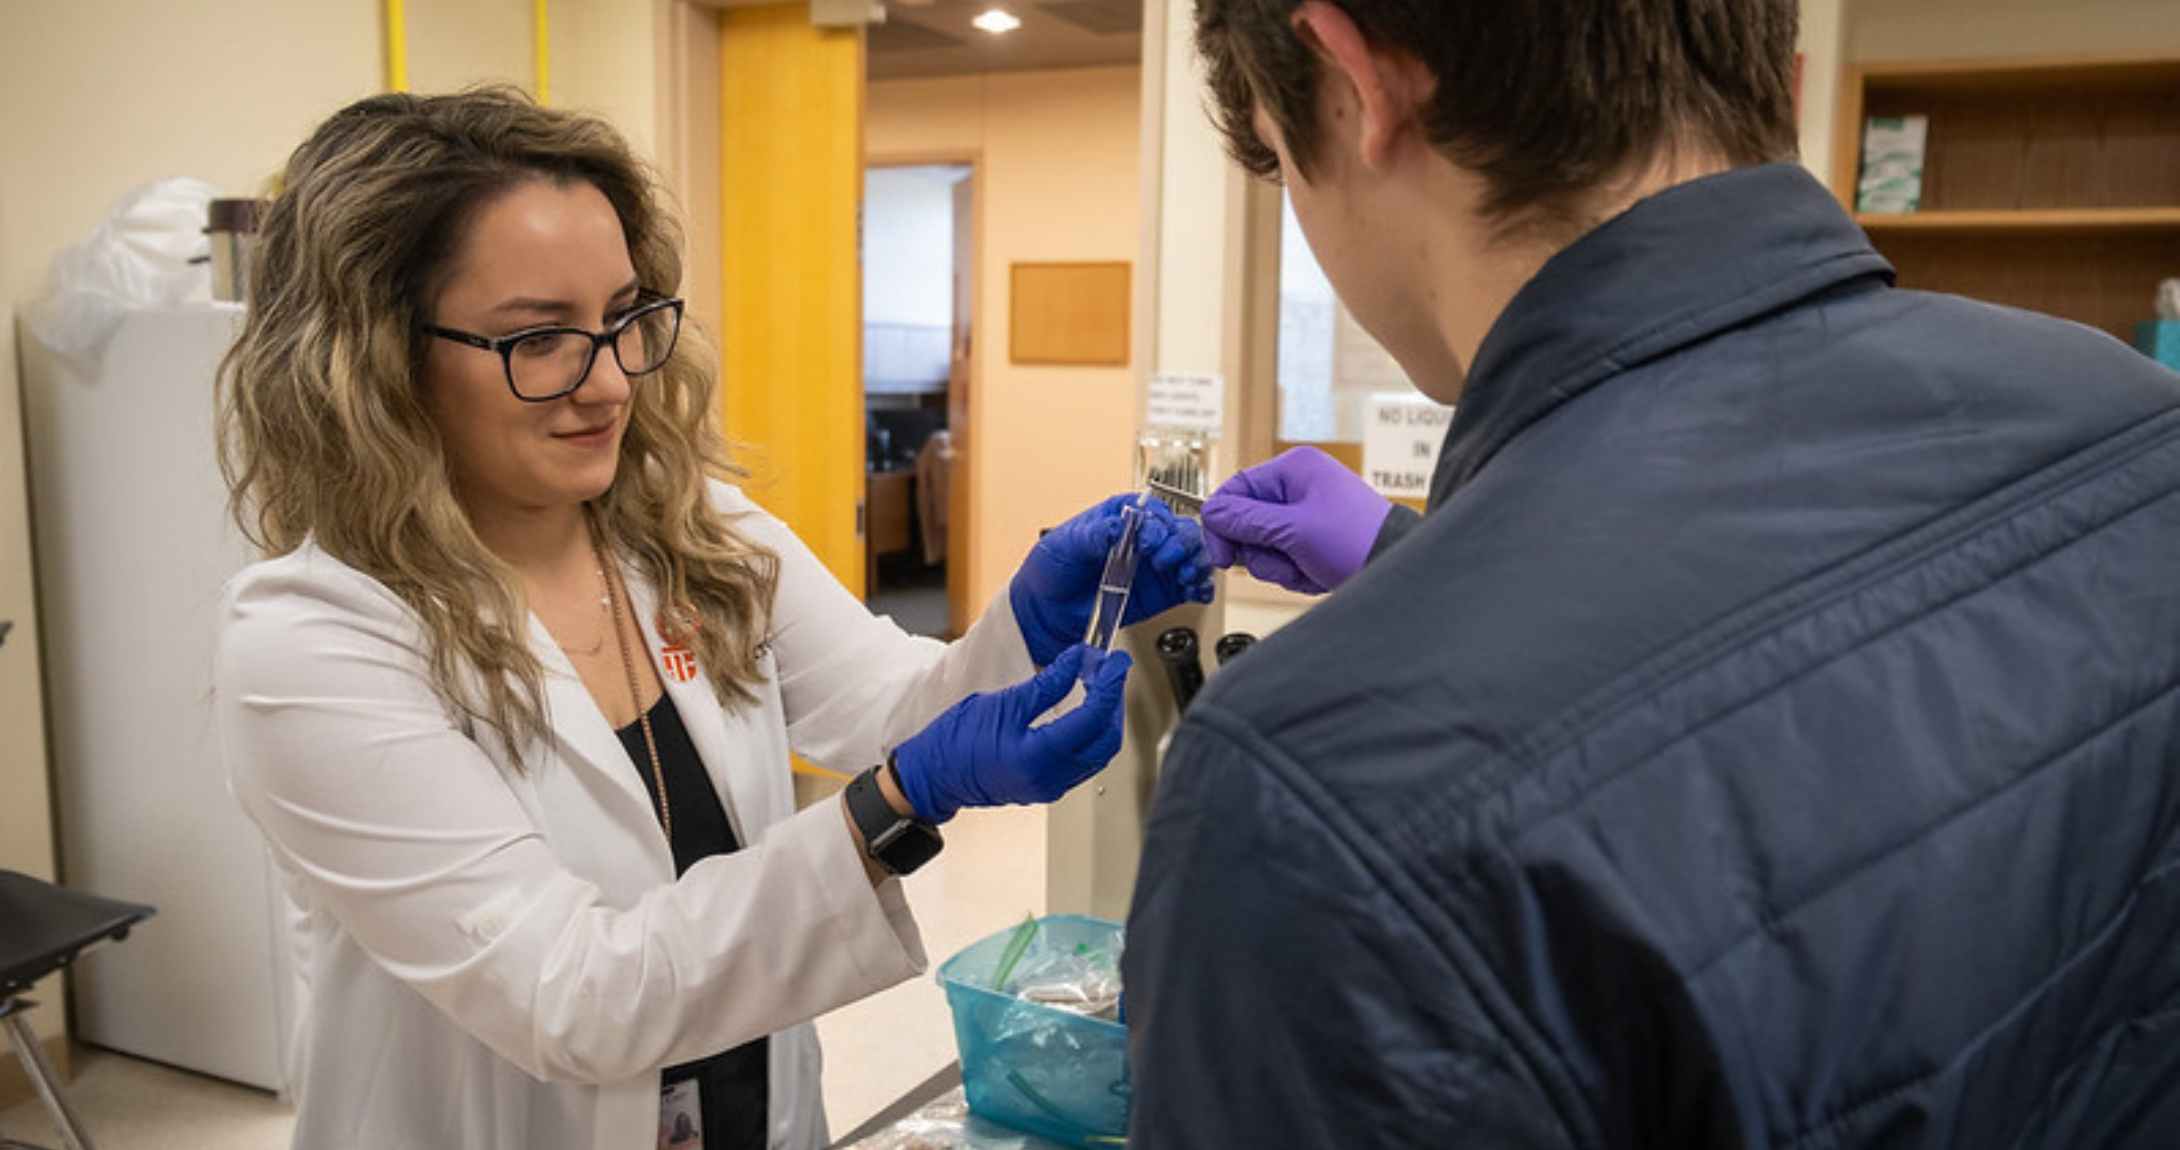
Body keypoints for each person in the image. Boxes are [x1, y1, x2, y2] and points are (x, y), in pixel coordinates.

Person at [1124, 1, 2180, 1146]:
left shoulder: (1309, 799)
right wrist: (1420, 567)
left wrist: (1399, 651)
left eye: (1283, 168)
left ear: (1352, 84)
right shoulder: (2136, 424)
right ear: (1775, 73)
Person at [212, 88, 1210, 1150]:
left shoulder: (687, 532)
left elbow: (896, 714)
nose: (607, 382)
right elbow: (575, 995)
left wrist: (1025, 624)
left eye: (623, 317)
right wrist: (888, 807)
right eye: (539, 337)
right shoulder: (314, 643)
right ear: (374, 359)